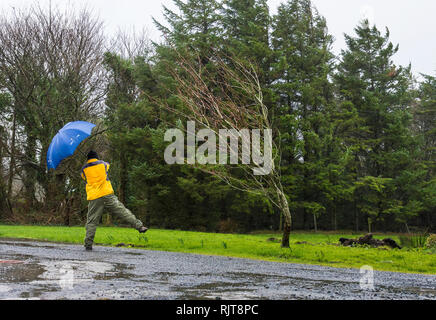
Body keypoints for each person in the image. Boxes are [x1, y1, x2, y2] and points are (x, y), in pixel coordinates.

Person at [81, 150, 148, 251]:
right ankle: (139, 226)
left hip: (94, 197)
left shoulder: (83, 169)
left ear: (87, 158)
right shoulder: (103, 164)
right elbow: (108, 166)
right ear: (96, 157)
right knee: (122, 211)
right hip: (107, 194)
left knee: (91, 221)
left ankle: (88, 244)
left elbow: (84, 178)